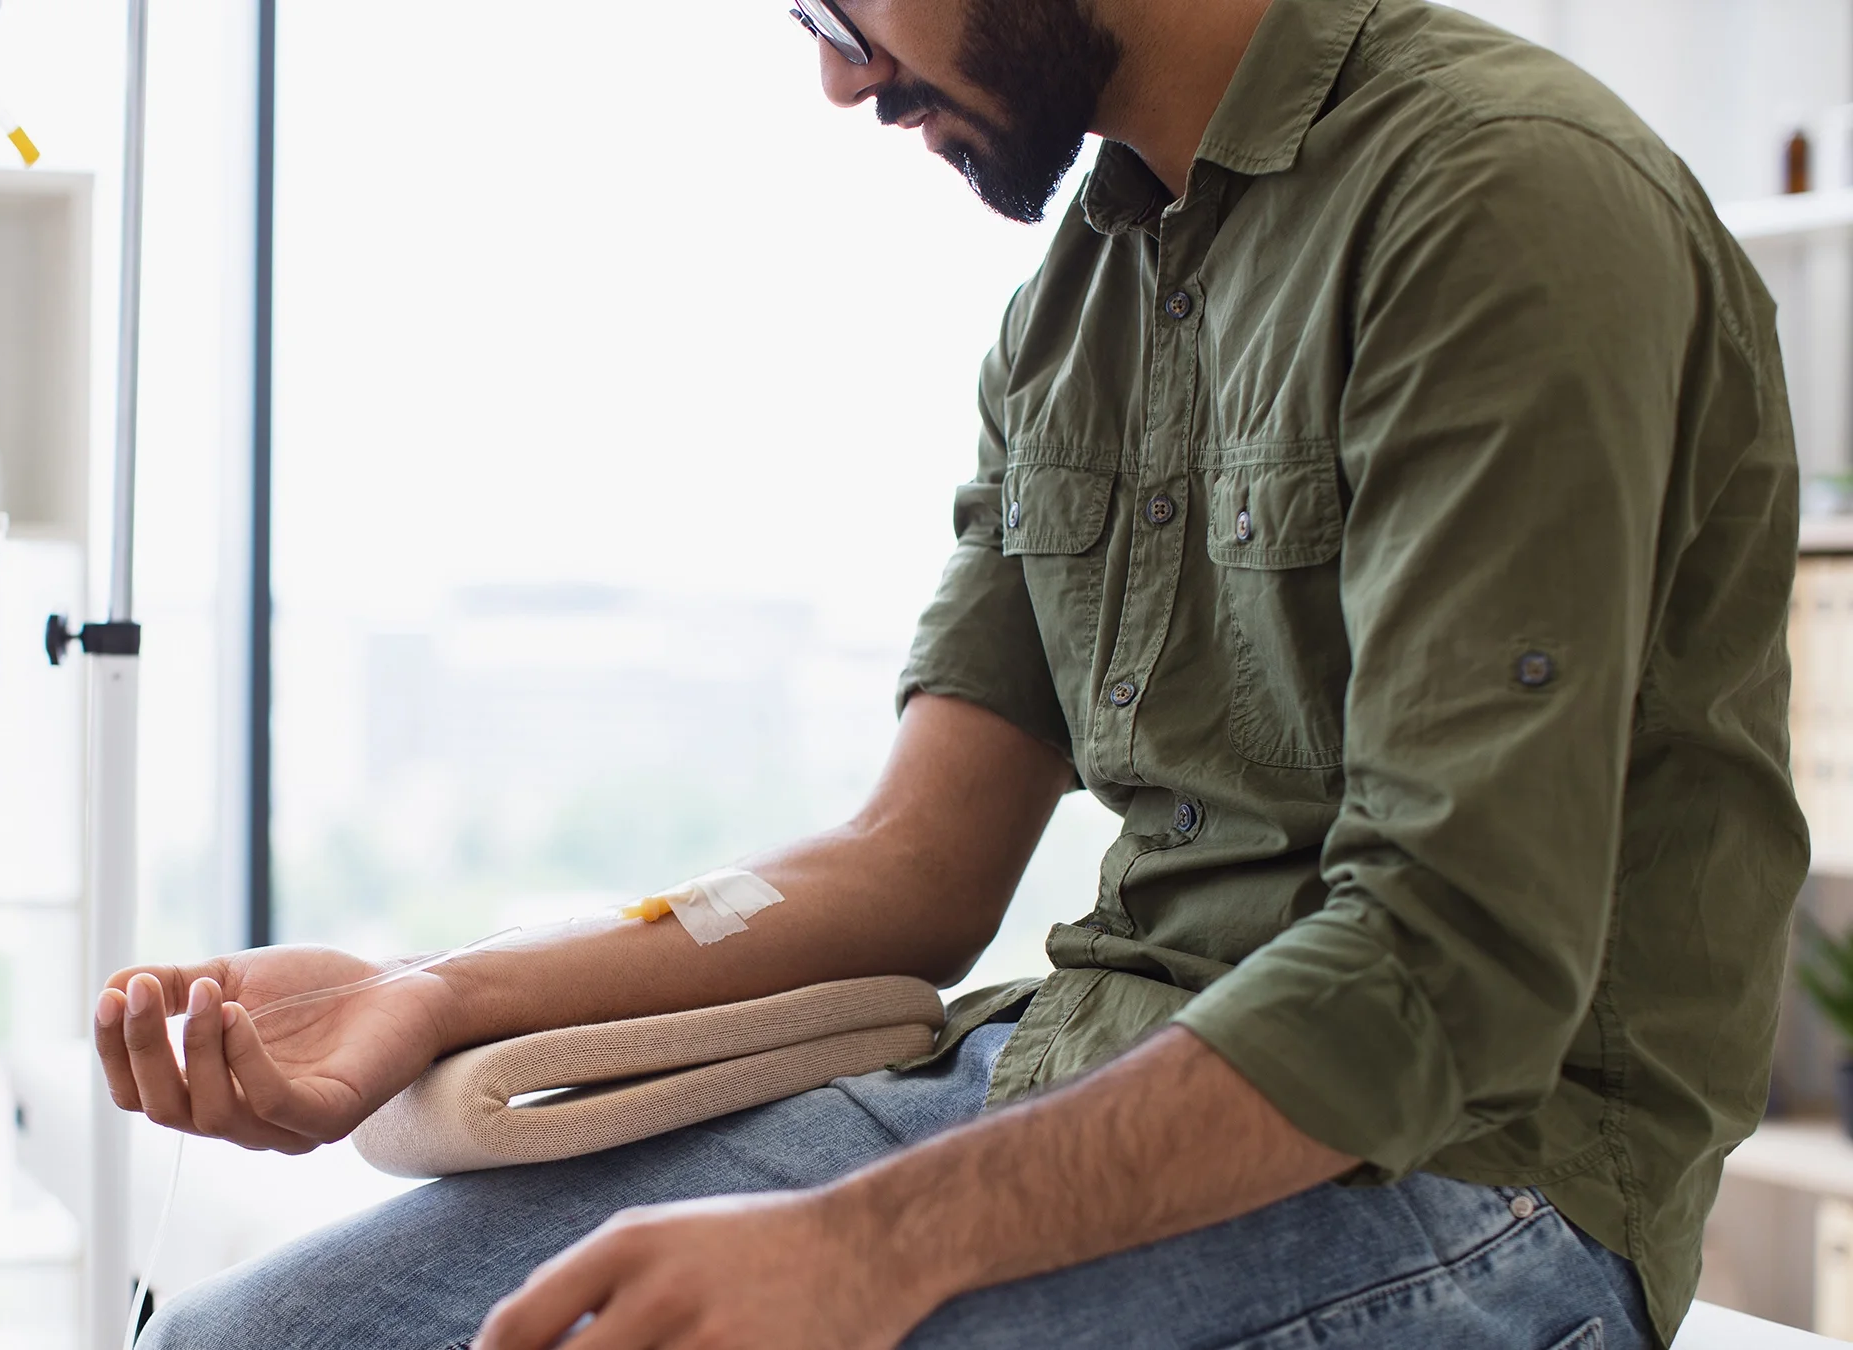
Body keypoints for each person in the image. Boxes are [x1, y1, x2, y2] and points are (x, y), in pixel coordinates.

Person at [110, 0, 1805, 1344]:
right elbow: (910, 862)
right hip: (1070, 1072)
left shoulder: (1500, 198)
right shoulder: (1082, 298)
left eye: (834, 8)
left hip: (1469, 1177)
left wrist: (867, 1248)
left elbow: (1446, 967)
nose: (843, 78)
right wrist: (430, 989)